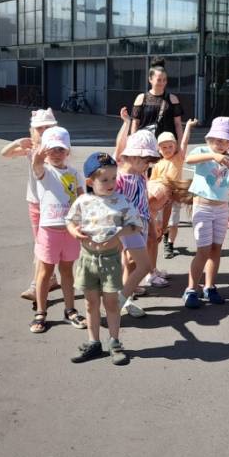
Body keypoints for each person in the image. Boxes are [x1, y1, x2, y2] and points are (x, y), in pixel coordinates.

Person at [66, 152, 143, 365]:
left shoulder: (121, 201)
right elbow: (70, 221)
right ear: (90, 182)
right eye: (104, 179)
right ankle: (93, 342)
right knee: (90, 302)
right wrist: (74, 232)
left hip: (110, 260)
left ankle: (114, 342)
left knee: (111, 302)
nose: (111, 183)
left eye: (113, 178)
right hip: (87, 259)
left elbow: (137, 225)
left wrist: (119, 232)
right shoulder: (83, 201)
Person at [28, 126, 86, 333]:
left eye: (61, 149)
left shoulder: (74, 173)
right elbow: (36, 165)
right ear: (45, 150)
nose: (56, 153)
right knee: (45, 272)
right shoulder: (44, 171)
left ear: (68, 151)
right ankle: (41, 312)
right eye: (51, 149)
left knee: (67, 271)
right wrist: (37, 156)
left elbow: (81, 198)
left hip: (70, 231)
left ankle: (70, 310)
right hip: (49, 230)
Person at [0, 108, 61, 301]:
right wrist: (17, 143)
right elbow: (5, 154)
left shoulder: (58, 150)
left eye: (47, 127)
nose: (43, 131)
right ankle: (47, 279)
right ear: (32, 131)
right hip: (35, 203)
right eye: (39, 128)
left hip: (53, 205)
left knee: (45, 245)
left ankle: (39, 284)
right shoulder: (31, 150)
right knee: (40, 244)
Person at [184, 116, 229, 308]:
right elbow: (189, 159)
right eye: (217, 140)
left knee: (216, 249)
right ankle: (191, 289)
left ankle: (209, 287)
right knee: (203, 250)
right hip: (202, 207)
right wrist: (213, 156)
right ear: (209, 139)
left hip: (221, 208)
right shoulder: (203, 151)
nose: (220, 144)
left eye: (225, 141)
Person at [113, 110, 162, 318]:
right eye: (144, 160)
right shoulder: (119, 178)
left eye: (149, 161)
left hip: (141, 223)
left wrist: (151, 222)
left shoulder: (141, 176)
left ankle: (126, 295)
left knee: (133, 263)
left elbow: (143, 202)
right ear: (132, 156)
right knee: (130, 262)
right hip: (125, 226)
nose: (147, 165)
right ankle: (120, 299)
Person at [151, 119, 198, 262]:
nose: (167, 149)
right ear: (159, 149)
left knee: (173, 223)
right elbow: (152, 183)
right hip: (161, 199)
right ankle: (163, 234)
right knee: (161, 222)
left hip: (175, 196)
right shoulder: (157, 164)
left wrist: (188, 126)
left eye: (170, 146)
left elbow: (184, 142)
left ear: (175, 146)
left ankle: (170, 244)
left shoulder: (178, 158)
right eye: (164, 147)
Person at [130, 58, 184, 141]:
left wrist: (181, 144)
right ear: (150, 79)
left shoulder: (173, 99)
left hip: (167, 145)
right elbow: (135, 123)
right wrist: (133, 142)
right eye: (159, 80)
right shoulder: (141, 98)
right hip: (146, 143)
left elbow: (178, 124)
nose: (162, 83)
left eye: (164, 80)